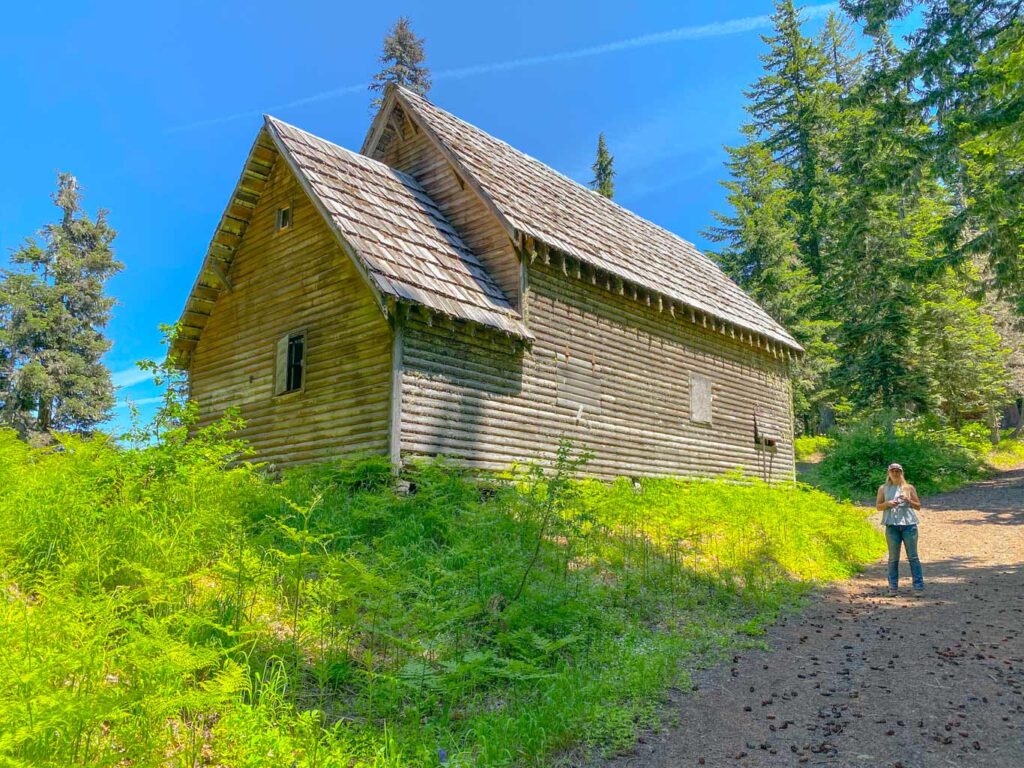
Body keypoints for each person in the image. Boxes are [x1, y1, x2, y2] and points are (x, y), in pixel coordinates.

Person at [875, 463, 923, 596]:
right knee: (893, 558)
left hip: (909, 525)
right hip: (891, 526)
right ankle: (893, 587)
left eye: (898, 471)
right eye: (893, 471)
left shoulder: (908, 488)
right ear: (889, 473)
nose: (895, 473)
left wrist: (908, 500)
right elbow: (878, 507)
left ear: (901, 473)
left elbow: (918, 506)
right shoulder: (883, 488)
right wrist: (888, 504)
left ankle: (918, 587)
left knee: (913, 557)